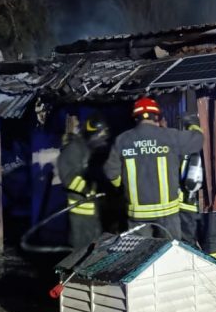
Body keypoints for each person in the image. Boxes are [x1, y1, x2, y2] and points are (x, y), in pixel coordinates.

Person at [104, 97, 203, 240]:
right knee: (169, 254)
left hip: (137, 216)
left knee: (140, 256)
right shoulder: (169, 136)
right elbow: (197, 140)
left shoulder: (122, 140)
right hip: (167, 215)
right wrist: (193, 124)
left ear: (135, 118)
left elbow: (111, 173)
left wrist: (121, 186)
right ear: (156, 116)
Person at [56, 113, 110, 253]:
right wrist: (89, 189)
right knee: (81, 249)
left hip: (93, 211)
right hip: (80, 212)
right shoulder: (74, 149)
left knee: (95, 246)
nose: (102, 140)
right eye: (100, 136)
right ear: (91, 134)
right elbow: (68, 178)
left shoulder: (89, 150)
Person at [178, 112, 205, 248]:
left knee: (188, 242)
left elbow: (191, 179)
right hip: (198, 204)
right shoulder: (202, 145)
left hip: (186, 203)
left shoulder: (190, 148)